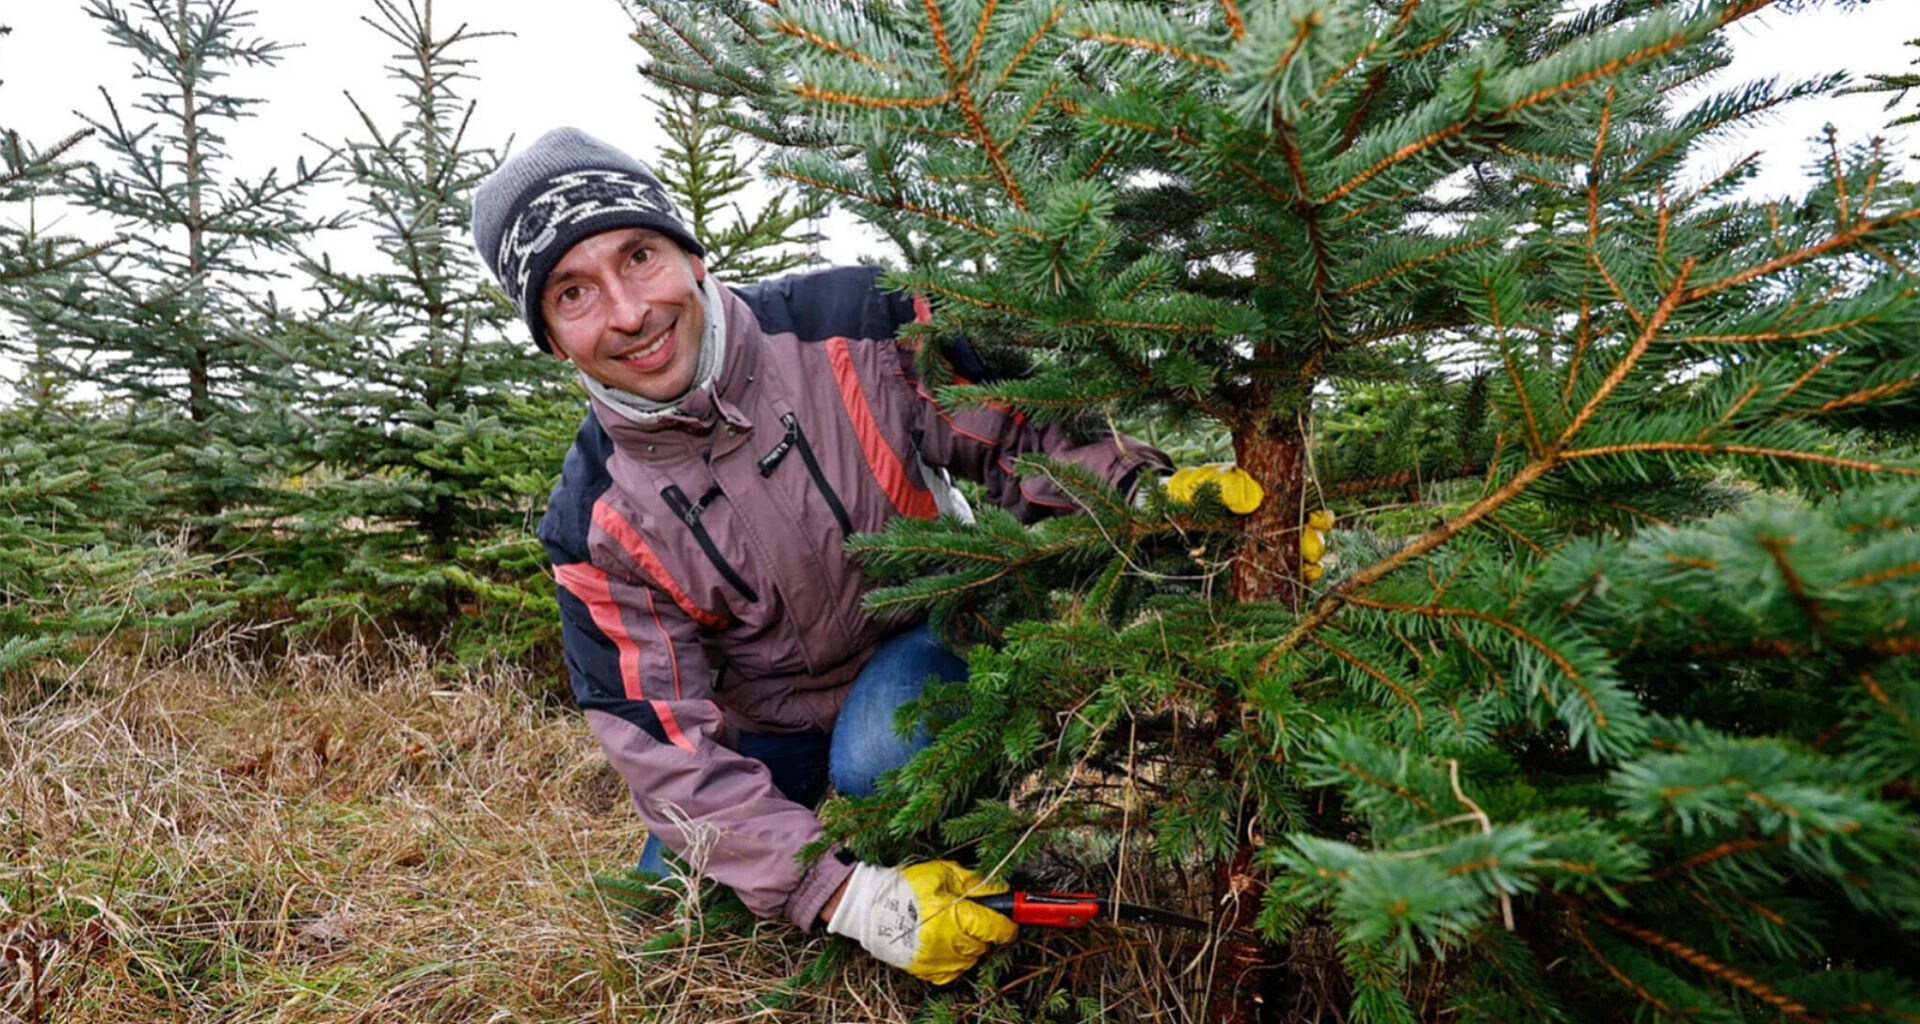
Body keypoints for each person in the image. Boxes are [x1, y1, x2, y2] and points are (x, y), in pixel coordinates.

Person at [471, 127, 1171, 985]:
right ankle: (875, 874)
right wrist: (842, 897)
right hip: (770, 719)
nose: (627, 313)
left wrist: (1157, 507)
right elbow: (663, 744)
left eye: (640, 255)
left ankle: (960, 842)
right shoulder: (596, 522)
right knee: (673, 907)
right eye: (573, 293)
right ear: (550, 336)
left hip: (928, 635)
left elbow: (1025, 432)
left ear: (691, 255)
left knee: (879, 760)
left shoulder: (857, 324)